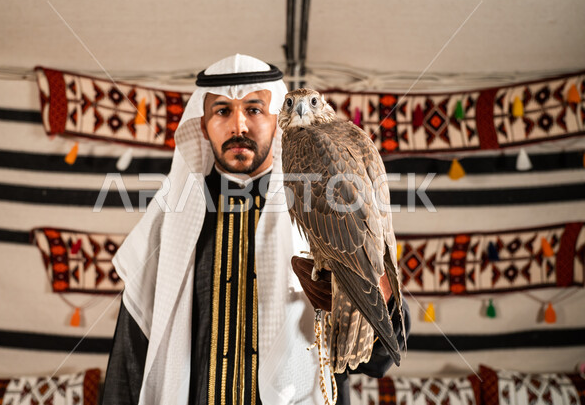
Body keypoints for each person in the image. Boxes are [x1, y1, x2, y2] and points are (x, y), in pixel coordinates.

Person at [101, 54, 410, 405]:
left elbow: (381, 360)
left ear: (278, 120)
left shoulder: (317, 188)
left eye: (254, 109)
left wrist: (364, 292)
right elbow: (131, 361)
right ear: (201, 124)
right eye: (221, 111)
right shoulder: (168, 220)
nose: (239, 126)